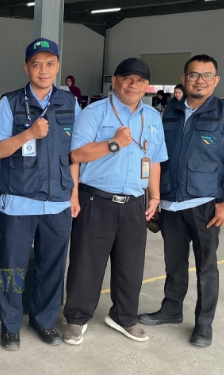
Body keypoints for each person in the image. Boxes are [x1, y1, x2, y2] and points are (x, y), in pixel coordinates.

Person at [138, 55, 224, 347]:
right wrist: (153, 197)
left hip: (206, 204)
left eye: (206, 75)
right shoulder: (169, 112)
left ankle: (204, 323)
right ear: (184, 78)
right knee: (174, 263)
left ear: (216, 80)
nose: (200, 81)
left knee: (206, 266)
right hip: (171, 203)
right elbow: (156, 157)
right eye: (194, 75)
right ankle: (171, 309)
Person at [62, 57, 167, 345]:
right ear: (116, 81)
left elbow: (155, 160)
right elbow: (77, 154)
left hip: (134, 202)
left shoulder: (153, 117)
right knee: (86, 263)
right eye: (127, 78)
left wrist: (155, 195)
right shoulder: (94, 113)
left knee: (130, 266)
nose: (133, 85)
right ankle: (77, 318)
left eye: (140, 80)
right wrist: (114, 144)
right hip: (96, 199)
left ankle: (123, 316)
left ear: (147, 86)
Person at [0, 38, 81, 351]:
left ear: (57, 67)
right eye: (37, 64)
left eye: (50, 64)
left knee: (53, 266)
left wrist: (74, 194)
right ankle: (10, 326)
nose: (44, 70)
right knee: (11, 267)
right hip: (18, 201)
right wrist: (28, 134)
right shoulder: (10, 102)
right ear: (26, 67)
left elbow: (75, 155)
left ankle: (43, 321)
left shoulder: (70, 103)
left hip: (58, 201)